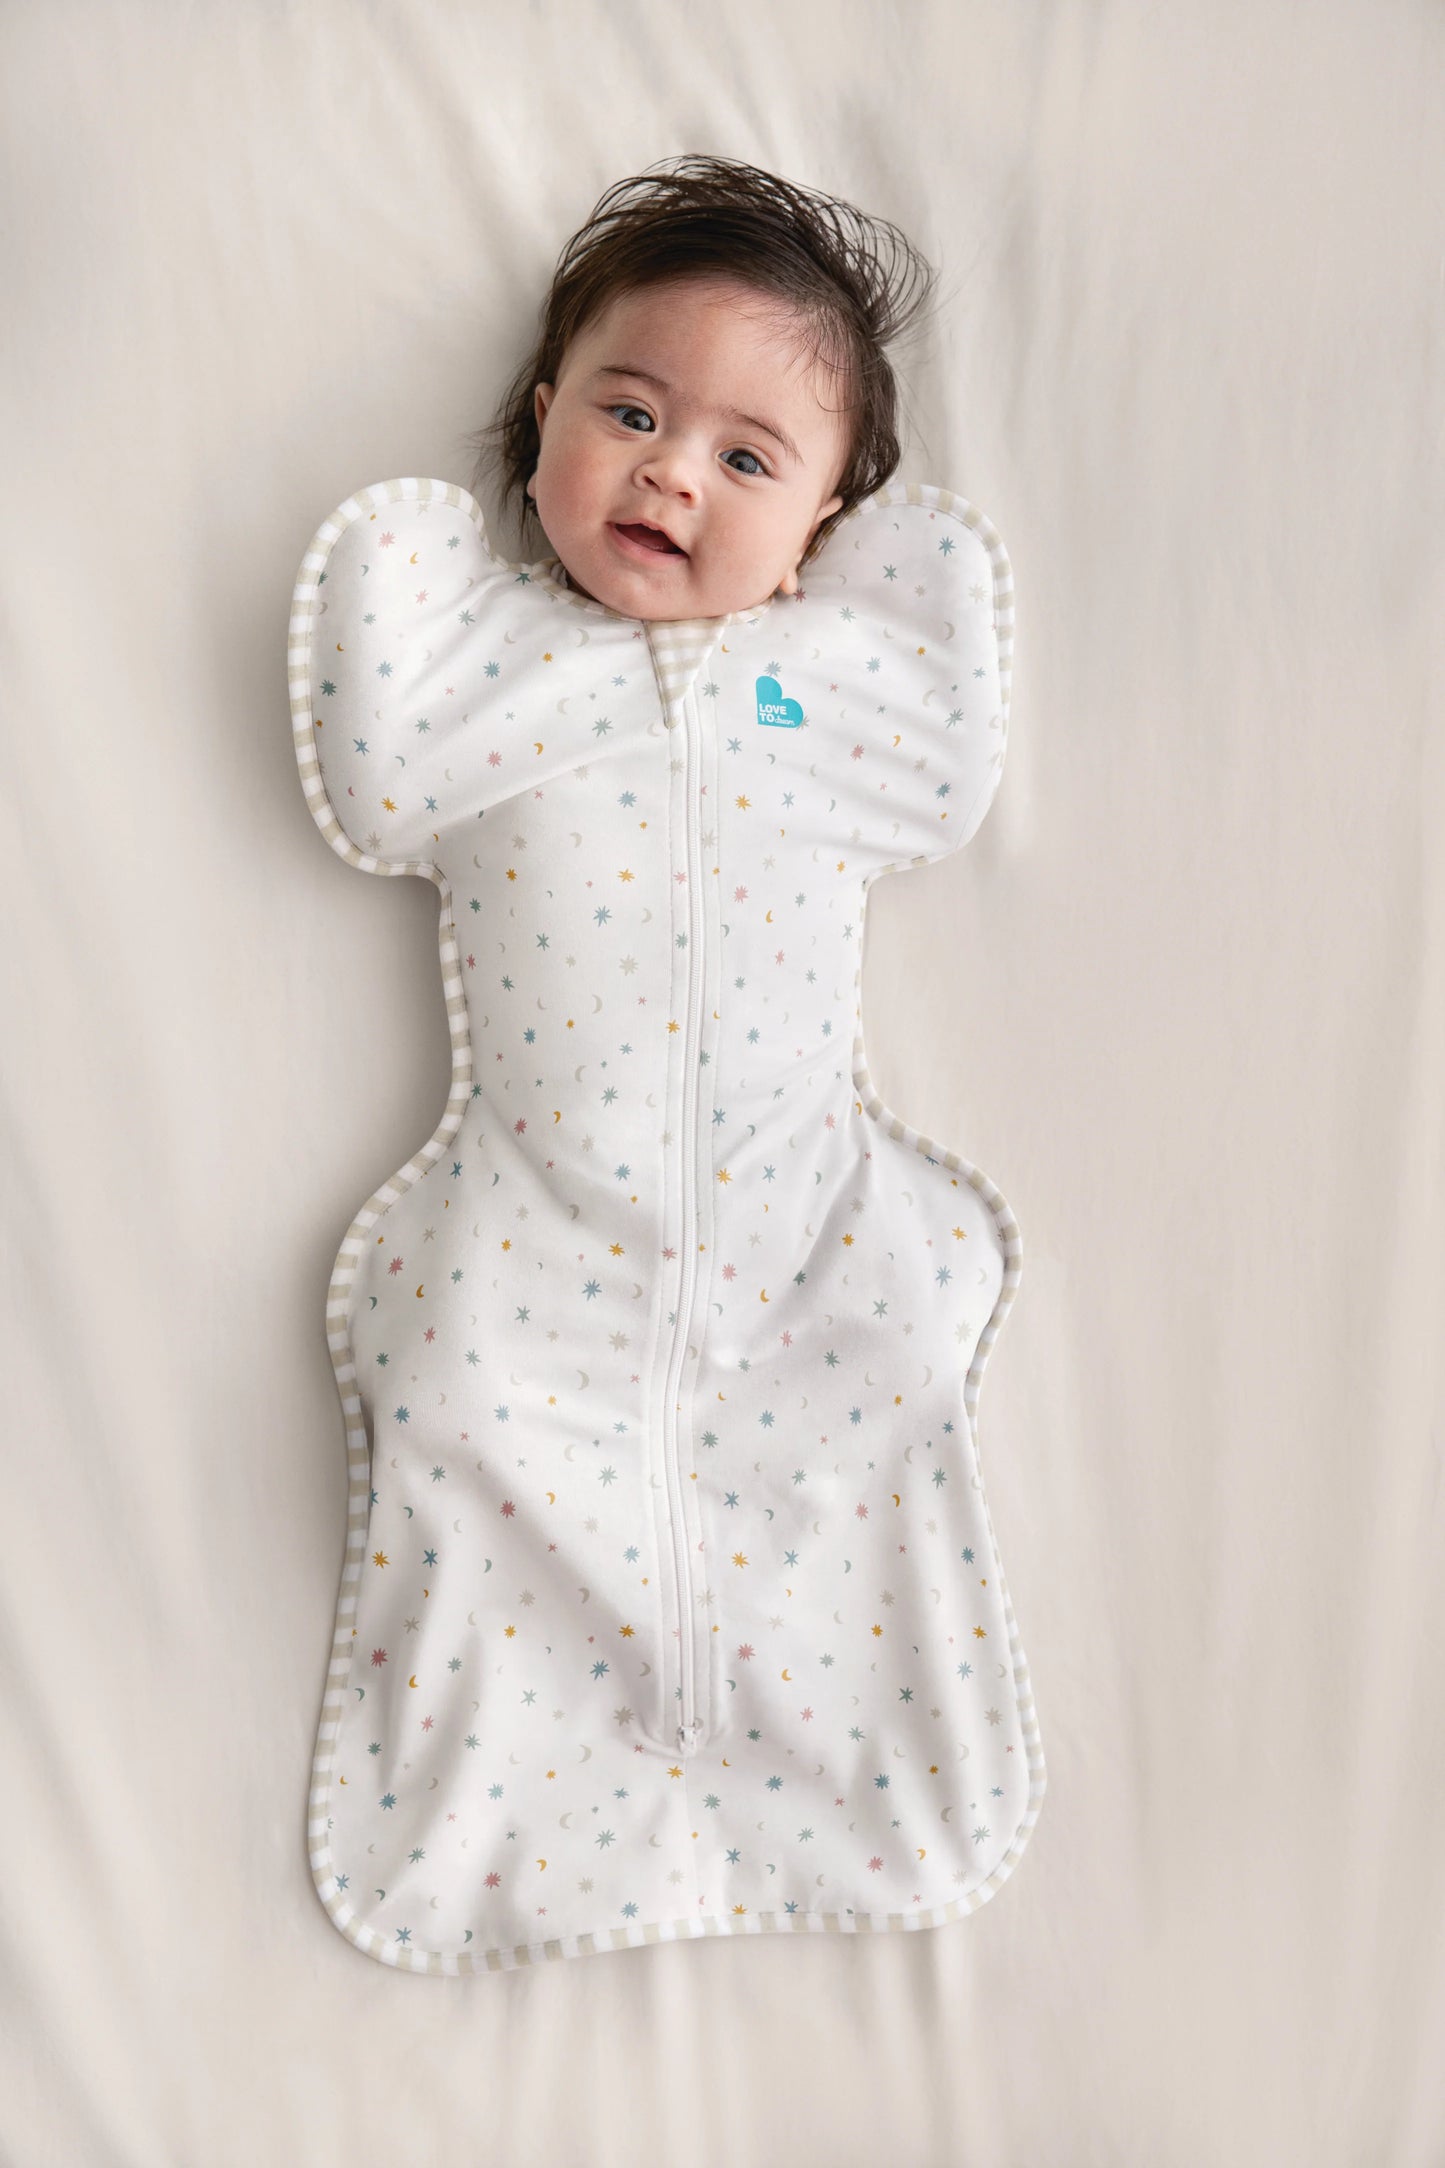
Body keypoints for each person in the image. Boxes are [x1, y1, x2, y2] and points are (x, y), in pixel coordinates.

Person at [465, 154, 938, 623]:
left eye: (744, 461)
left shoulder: (845, 650)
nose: (672, 474)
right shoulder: (458, 619)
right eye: (634, 418)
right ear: (546, 428)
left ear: (807, 537)